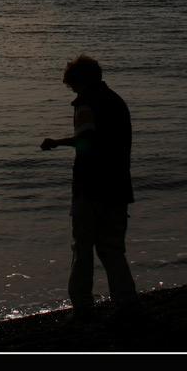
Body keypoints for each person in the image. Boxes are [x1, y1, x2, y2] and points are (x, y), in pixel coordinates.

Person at [40, 54, 139, 322]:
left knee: (82, 247)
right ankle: (126, 300)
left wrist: (56, 143)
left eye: (71, 85)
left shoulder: (85, 105)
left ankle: (82, 305)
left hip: (91, 186)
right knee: (112, 247)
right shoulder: (117, 102)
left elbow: (86, 141)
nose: (71, 89)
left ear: (79, 81)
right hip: (118, 183)